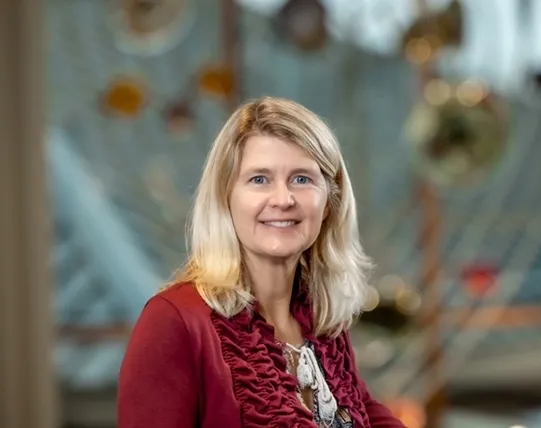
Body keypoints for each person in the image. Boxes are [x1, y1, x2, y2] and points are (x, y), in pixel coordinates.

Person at [117, 97, 406, 428]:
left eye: (302, 179)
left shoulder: (321, 318)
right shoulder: (174, 320)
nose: (283, 200)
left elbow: (364, 412)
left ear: (330, 200)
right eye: (259, 179)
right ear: (226, 197)